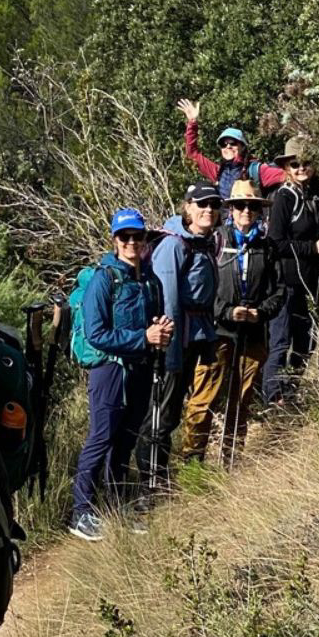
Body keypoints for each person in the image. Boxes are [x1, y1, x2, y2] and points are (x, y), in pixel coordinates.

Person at [69, 207, 172, 541]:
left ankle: (115, 505)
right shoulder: (105, 279)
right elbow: (97, 333)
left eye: (137, 236)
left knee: (126, 439)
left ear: (145, 239)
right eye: (124, 237)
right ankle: (80, 511)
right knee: (101, 438)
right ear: (114, 240)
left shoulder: (150, 281)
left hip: (140, 369)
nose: (131, 242)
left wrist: (160, 332)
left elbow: (155, 321)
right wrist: (143, 337)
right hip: (109, 370)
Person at [179, 179, 286, 466]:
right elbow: (200, 289)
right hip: (216, 333)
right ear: (231, 209)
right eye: (240, 205)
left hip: (253, 335)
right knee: (204, 397)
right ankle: (193, 460)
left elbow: (279, 291)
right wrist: (227, 311)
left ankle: (231, 457)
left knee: (242, 399)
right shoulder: (215, 241)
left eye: (252, 206)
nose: (246, 211)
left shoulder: (268, 246)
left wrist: (260, 313)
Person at [136, 182, 223, 495]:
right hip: (174, 343)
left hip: (193, 339)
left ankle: (160, 478)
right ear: (187, 207)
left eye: (214, 205)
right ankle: (150, 485)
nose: (208, 210)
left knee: (171, 412)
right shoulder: (175, 245)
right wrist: (169, 353)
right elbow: (168, 301)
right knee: (161, 412)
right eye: (201, 204)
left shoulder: (206, 242)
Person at [263, 137, 319, 406]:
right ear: (287, 167)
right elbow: (276, 243)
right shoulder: (284, 197)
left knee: (306, 343)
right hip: (286, 282)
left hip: (312, 283)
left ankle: (291, 392)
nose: (301, 168)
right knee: (281, 341)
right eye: (295, 164)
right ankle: (273, 399)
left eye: (306, 162)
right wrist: (311, 248)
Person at [176, 97, 285, 199]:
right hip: (224, 219)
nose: (228, 146)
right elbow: (192, 154)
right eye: (223, 144)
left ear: (243, 147)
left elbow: (286, 175)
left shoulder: (256, 170)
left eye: (233, 143)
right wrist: (192, 123)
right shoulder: (218, 172)